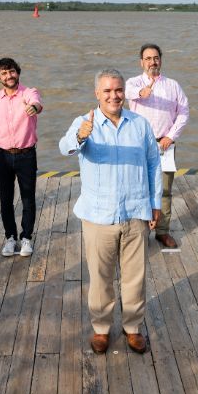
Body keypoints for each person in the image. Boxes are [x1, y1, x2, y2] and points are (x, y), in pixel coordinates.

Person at [59, 68, 161, 355]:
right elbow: (64, 148)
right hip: (98, 216)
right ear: (97, 94)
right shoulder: (84, 122)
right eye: (107, 91)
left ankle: (133, 327)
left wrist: (156, 204)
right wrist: (80, 136)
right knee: (100, 277)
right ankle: (101, 328)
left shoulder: (140, 124)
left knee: (134, 277)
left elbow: (154, 163)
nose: (114, 96)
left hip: (135, 212)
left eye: (118, 90)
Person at [124, 43, 189, 249]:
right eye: (148, 58)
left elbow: (184, 112)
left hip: (165, 144)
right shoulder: (132, 83)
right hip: (139, 144)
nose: (153, 62)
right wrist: (143, 92)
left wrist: (170, 136)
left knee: (165, 190)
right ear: (141, 62)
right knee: (136, 189)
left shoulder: (173, 85)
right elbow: (129, 94)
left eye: (156, 58)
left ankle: (162, 231)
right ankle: (139, 232)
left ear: (161, 60)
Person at [0, 57, 43, 258]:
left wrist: (33, 107)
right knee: (5, 198)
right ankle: (10, 238)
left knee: (28, 197)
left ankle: (26, 237)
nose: (9, 76)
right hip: (2, 155)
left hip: (26, 154)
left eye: (11, 71)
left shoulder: (29, 93)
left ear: (17, 72)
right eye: (4, 73)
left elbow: (37, 104)